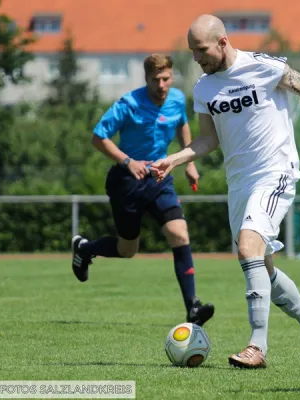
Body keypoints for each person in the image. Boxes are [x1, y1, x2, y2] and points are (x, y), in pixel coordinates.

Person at [151, 14, 300, 369]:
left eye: (200, 49)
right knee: (261, 265)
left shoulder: (264, 67)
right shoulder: (203, 88)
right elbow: (207, 140)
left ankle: (257, 347)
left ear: (222, 42)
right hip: (240, 184)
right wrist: (174, 159)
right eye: (191, 51)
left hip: (275, 173)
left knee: (249, 245)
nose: (196, 58)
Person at [71, 53, 214, 327]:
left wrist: (188, 162)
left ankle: (192, 307)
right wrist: (128, 161)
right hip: (127, 182)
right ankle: (85, 248)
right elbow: (98, 137)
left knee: (179, 233)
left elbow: (183, 123)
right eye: (155, 79)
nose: (162, 84)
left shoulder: (175, 99)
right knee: (127, 250)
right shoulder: (128, 104)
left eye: (166, 78)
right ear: (146, 79)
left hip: (160, 178)